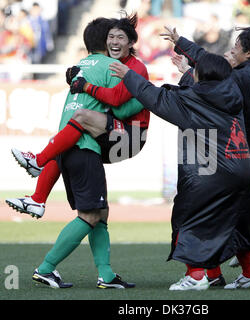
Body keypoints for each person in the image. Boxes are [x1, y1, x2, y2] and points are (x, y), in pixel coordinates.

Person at [109, 52, 250, 291]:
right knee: (233, 221)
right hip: (242, 166)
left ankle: (196, 277)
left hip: (210, 172)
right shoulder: (233, 92)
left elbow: (155, 98)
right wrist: (188, 72)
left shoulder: (191, 99)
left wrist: (129, 76)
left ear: (201, 76)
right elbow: (205, 91)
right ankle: (248, 273)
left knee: (186, 219)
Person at [160, 26, 250, 289]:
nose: (229, 53)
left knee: (211, 216)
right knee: (238, 219)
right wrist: (181, 42)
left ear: (249, 53)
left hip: (244, 161)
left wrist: (187, 76)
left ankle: (203, 274)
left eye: (234, 49)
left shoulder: (249, 77)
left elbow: (212, 91)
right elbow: (213, 66)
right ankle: (239, 271)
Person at [15, 17, 136, 289]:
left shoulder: (79, 66)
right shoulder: (111, 67)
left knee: (100, 212)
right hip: (85, 147)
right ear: (106, 39)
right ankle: (46, 268)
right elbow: (121, 103)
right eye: (113, 37)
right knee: (90, 216)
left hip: (66, 147)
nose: (116, 42)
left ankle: (106, 275)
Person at [6, 12, 150, 219]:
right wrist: (79, 79)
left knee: (81, 118)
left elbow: (117, 103)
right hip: (111, 131)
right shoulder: (108, 64)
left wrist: (85, 85)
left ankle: (39, 161)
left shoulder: (135, 67)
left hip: (132, 136)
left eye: (120, 37)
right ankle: (37, 199)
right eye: (111, 37)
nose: (114, 42)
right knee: (65, 145)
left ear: (131, 42)